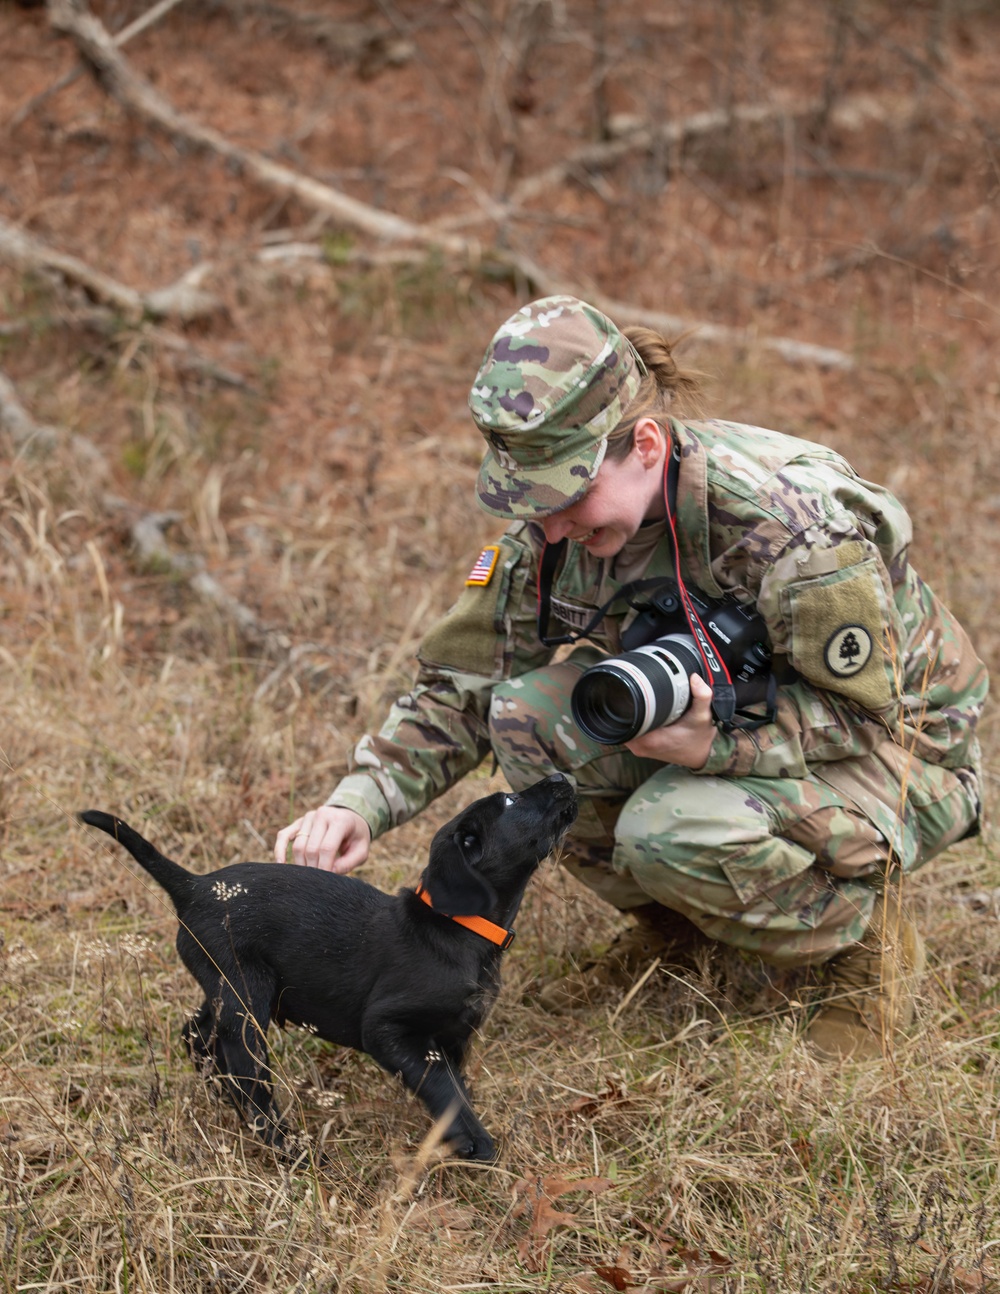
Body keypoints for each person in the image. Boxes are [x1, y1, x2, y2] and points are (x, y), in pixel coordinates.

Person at [274, 295, 988, 1060]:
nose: (551, 527)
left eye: (566, 495)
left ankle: (859, 946)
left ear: (645, 444)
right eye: (533, 501)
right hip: (740, 724)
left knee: (669, 828)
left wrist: (718, 747)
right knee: (526, 717)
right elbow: (464, 688)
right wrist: (360, 802)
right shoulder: (557, 533)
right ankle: (679, 930)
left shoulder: (793, 528)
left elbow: (875, 715)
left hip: (905, 753)